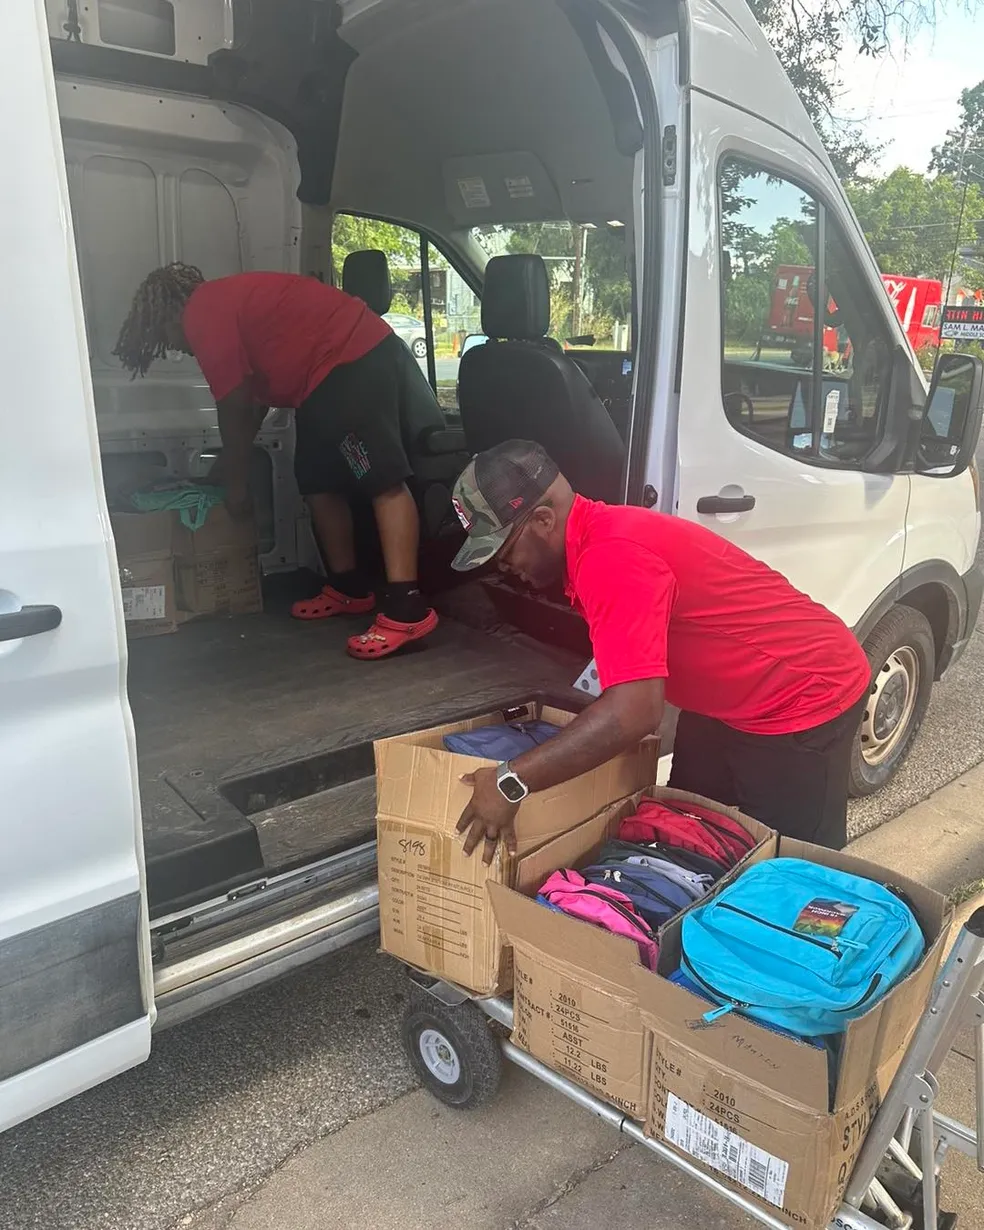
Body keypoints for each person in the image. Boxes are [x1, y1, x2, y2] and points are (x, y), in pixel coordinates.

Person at [451, 440, 871, 863]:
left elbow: (635, 711)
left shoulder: (609, 558)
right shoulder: (594, 539)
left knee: (787, 867)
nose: (502, 566)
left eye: (505, 550)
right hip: (727, 699)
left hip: (804, 694)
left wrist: (512, 780)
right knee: (683, 833)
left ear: (544, 520)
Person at [113, 263, 438, 660]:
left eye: (165, 337)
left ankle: (407, 609)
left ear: (168, 314)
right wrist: (229, 464)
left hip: (350, 356)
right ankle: (349, 588)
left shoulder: (202, 312)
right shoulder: (221, 306)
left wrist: (236, 482)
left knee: (381, 479)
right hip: (318, 379)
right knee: (317, 481)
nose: (175, 347)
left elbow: (232, 405)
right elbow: (251, 404)